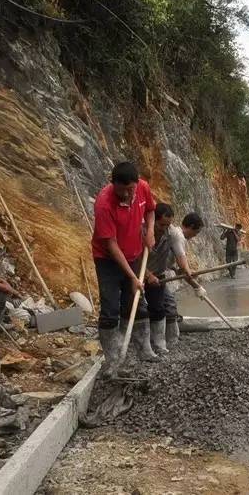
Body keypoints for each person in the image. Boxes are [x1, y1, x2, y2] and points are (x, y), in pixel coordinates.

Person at [92, 161, 157, 378]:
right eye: (124, 190)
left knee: (135, 302)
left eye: (132, 189)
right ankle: (114, 359)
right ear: (114, 185)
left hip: (135, 253)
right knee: (110, 307)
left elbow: (150, 210)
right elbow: (111, 246)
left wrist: (149, 231)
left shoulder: (142, 188)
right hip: (108, 260)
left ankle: (143, 349)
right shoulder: (104, 204)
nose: (129, 194)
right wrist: (132, 277)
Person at [145, 205, 205, 353]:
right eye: (162, 224)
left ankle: (168, 342)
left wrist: (181, 271)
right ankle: (161, 343)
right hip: (141, 274)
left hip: (158, 275)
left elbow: (174, 262)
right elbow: (134, 258)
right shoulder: (169, 234)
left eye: (167, 225)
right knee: (160, 307)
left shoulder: (169, 233)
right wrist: (195, 285)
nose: (165, 228)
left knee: (165, 306)